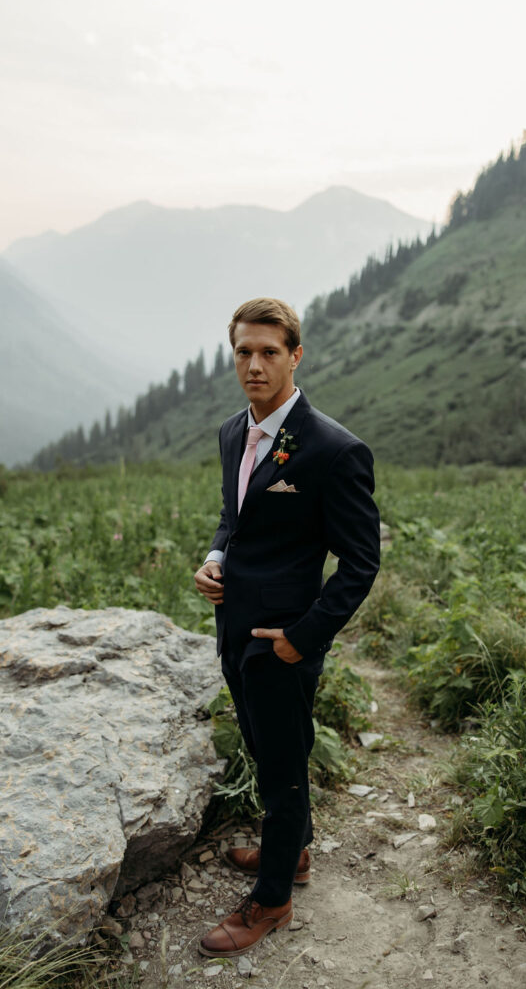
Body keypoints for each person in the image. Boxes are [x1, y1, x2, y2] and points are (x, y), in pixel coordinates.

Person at [194, 297, 380, 958]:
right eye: (243, 351)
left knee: (282, 767)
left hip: (284, 643)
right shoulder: (229, 433)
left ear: (294, 356)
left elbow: (361, 563)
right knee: (262, 749)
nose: (254, 364)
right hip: (233, 630)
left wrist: (304, 637)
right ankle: (292, 852)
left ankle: (271, 900)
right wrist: (215, 559)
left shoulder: (333, 450)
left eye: (268, 351)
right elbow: (232, 517)